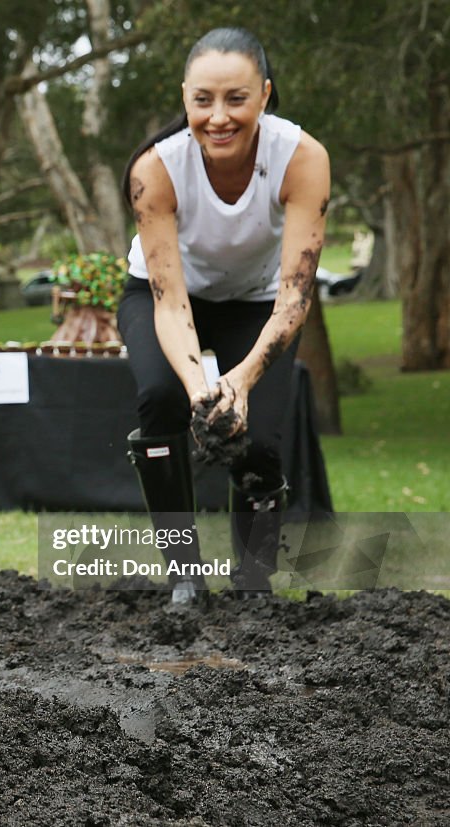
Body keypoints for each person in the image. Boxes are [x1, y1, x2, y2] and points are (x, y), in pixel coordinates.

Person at [117, 28, 330, 604]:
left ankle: (254, 580)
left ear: (263, 93)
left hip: (259, 303)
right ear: (185, 95)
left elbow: (294, 298)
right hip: (163, 296)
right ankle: (186, 574)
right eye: (203, 100)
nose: (218, 117)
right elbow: (169, 300)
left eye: (236, 99)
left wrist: (239, 382)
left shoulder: (303, 158)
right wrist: (200, 390)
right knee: (160, 399)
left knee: (259, 437)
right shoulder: (155, 169)